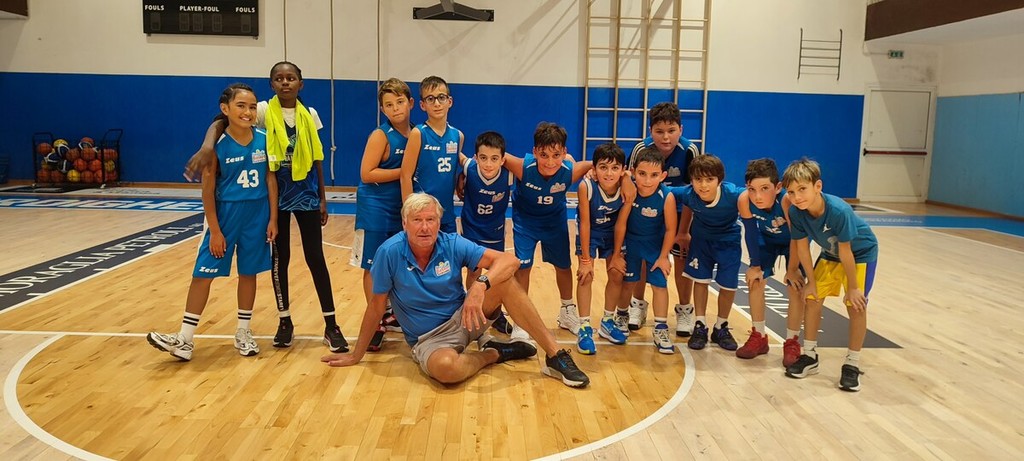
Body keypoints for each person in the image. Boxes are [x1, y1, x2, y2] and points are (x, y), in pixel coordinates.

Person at [322, 193, 591, 389]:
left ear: (439, 222)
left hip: (466, 318)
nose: (425, 227)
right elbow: (376, 307)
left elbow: (509, 261)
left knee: (505, 281)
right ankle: (494, 354)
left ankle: (555, 356)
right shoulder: (389, 252)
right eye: (417, 220)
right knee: (446, 369)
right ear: (404, 224)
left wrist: (480, 285)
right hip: (429, 339)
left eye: (431, 219)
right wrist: (356, 354)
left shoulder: (451, 243)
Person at [184, 62, 347, 353]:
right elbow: (220, 121)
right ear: (271, 84)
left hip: (306, 194)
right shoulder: (260, 110)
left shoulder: (310, 114)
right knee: (279, 260)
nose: (285, 82)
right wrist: (208, 146)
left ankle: (331, 324)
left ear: (300, 83)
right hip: (277, 198)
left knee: (315, 257)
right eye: (279, 78)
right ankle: (285, 321)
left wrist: (323, 197)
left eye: (291, 78)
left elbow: (317, 157)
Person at [148, 83, 278, 360]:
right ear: (225, 109)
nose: (248, 112)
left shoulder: (265, 138)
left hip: (257, 215)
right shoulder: (216, 147)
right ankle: (185, 338)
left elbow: (270, 178)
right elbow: (207, 191)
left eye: (252, 107)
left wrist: (273, 218)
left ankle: (243, 332)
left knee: (249, 273)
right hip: (225, 215)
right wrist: (216, 231)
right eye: (241, 106)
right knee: (202, 274)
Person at [782, 158, 878, 392]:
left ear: (818, 186)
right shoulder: (796, 212)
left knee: (856, 305)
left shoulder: (839, 210)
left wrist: (853, 287)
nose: (797, 197)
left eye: (802, 189)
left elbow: (846, 252)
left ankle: (852, 363)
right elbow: (802, 248)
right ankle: (810, 355)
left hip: (860, 254)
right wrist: (811, 282)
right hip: (830, 254)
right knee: (811, 298)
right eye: (791, 192)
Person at [502, 122, 593, 340]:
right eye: (544, 155)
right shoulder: (522, 167)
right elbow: (495, 154)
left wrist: (612, 175)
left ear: (564, 153)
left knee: (563, 266)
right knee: (523, 268)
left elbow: (599, 163)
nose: (550, 162)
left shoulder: (571, 170)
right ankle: (521, 320)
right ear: (534, 152)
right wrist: (464, 172)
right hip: (525, 223)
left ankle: (567, 311)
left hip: (554, 222)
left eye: (556, 155)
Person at [626, 102, 701, 338]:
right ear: (650, 131)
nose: (665, 137)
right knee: (642, 257)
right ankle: (638, 305)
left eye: (671, 130)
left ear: (681, 129)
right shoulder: (641, 149)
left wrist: (684, 231)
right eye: (659, 131)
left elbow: (693, 193)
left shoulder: (690, 151)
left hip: (680, 211)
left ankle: (684, 309)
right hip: (646, 209)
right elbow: (628, 179)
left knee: (681, 257)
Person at [353, 77, 415, 351]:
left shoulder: (416, 133)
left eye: (400, 102)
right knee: (373, 265)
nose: (395, 108)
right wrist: (404, 172)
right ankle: (375, 320)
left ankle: (390, 313)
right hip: (375, 208)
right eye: (389, 105)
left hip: (399, 207)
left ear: (410, 103)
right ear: (382, 109)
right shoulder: (380, 135)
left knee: (396, 263)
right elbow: (367, 173)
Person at [673, 154, 758, 352]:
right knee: (700, 281)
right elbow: (658, 189)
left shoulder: (734, 194)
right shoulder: (688, 193)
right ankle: (700, 325)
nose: (703, 185)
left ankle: (721, 326)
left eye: (709, 179)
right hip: (701, 242)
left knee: (728, 285)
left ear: (719, 180)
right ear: (691, 180)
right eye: (698, 179)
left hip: (728, 243)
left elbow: (763, 195)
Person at [736, 158, 805, 366]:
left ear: (778, 187)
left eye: (764, 188)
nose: (757, 196)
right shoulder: (744, 200)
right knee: (754, 280)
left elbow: (798, 237)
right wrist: (755, 265)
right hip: (767, 240)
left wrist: (792, 269)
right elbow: (750, 233)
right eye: (752, 189)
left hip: (794, 243)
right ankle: (759, 336)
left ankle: (792, 342)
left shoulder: (787, 201)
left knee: (796, 285)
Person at [609, 147, 677, 354]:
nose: (647, 180)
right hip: (632, 244)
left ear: (663, 176)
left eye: (654, 175)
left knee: (660, 285)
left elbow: (670, 229)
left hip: (655, 246)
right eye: (642, 174)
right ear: (633, 172)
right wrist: (617, 252)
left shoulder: (666, 197)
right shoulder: (630, 191)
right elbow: (621, 224)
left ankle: (661, 328)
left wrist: (664, 256)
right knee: (628, 283)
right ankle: (622, 315)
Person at [574, 143, 632, 354]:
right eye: (603, 167)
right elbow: (585, 224)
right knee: (585, 276)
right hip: (590, 231)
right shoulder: (586, 187)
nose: (609, 173)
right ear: (594, 169)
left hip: (613, 232)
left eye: (615, 168)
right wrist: (585, 260)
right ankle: (584, 327)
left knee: (616, 273)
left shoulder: (627, 189)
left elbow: (621, 224)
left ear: (623, 170)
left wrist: (616, 255)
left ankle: (608, 321)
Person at [458, 131, 515, 334]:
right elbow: (456, 154)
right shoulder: (470, 168)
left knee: (496, 274)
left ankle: (495, 313)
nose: (488, 164)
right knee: (473, 272)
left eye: (494, 158)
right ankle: (469, 306)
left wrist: (569, 159)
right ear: (476, 158)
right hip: (471, 229)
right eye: (483, 158)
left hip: (495, 231)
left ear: (503, 159)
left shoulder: (509, 174)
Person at [400, 76, 463, 234]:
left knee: (448, 250)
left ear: (450, 101)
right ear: (422, 105)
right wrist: (409, 213)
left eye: (441, 97)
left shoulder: (458, 136)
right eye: (430, 99)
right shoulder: (418, 134)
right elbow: (405, 176)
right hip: (421, 215)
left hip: (447, 214)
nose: (437, 103)